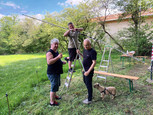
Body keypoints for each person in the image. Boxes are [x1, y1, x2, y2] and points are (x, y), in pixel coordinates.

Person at [46, 38, 66, 106]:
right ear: (51, 44)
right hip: (52, 73)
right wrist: (58, 57)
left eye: (57, 44)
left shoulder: (56, 51)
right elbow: (49, 62)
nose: (57, 45)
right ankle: (52, 102)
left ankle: (55, 96)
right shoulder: (49, 52)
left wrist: (61, 62)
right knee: (54, 86)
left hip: (56, 72)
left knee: (57, 85)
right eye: (55, 44)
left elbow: (56, 60)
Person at [77, 38, 97, 104]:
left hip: (89, 71)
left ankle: (89, 99)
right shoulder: (84, 50)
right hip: (84, 70)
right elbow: (85, 57)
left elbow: (94, 62)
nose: (86, 47)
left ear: (90, 44)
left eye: (87, 45)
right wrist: (80, 53)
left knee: (88, 84)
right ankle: (90, 93)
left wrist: (88, 71)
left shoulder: (93, 52)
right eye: (85, 45)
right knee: (85, 81)